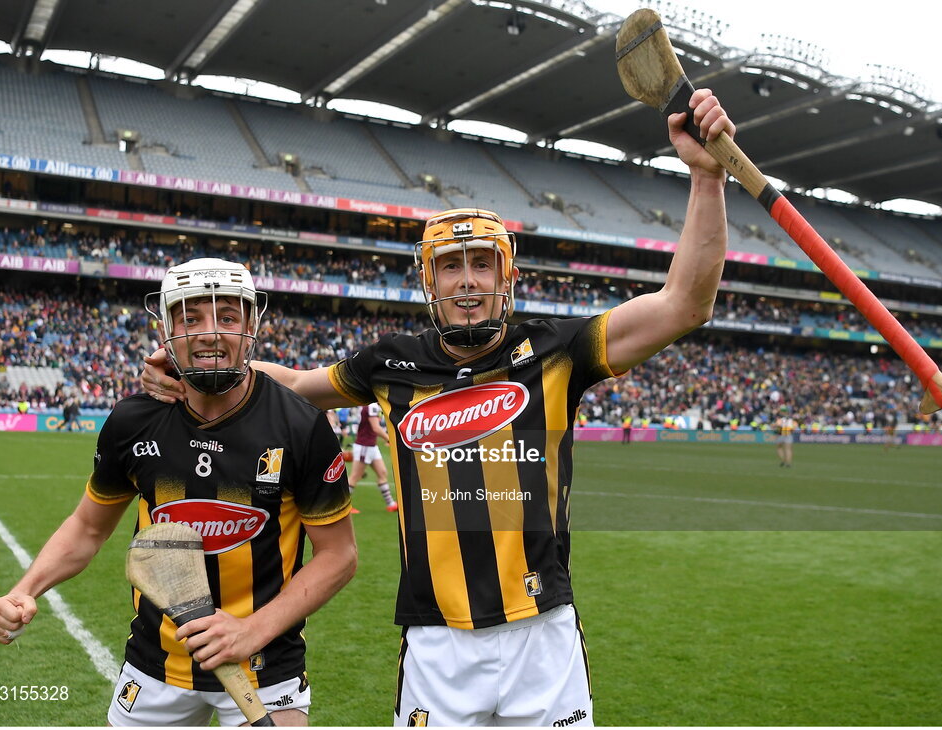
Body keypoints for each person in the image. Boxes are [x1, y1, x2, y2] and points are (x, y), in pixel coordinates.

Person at [144, 89, 734, 726]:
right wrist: (197, 366)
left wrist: (706, 177)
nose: (469, 282)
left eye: (483, 264)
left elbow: (685, 304)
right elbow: (297, 383)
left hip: (543, 634)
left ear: (507, 277)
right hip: (436, 638)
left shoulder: (557, 349)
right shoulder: (390, 363)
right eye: (451, 267)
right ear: (429, 281)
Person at [0, 258, 357, 727]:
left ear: (251, 325)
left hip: (265, 666)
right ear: (166, 328)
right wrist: (24, 591)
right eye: (191, 317)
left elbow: (339, 556)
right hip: (154, 664)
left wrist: (251, 630)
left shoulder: (300, 424)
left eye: (227, 317)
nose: (209, 332)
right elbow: (86, 528)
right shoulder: (133, 420)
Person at [349, 403, 397, 513]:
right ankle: (343, 507)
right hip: (364, 445)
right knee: (355, 476)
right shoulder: (372, 405)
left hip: (371, 446)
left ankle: (391, 504)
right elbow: (376, 427)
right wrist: (389, 439)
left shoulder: (371, 405)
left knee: (382, 473)